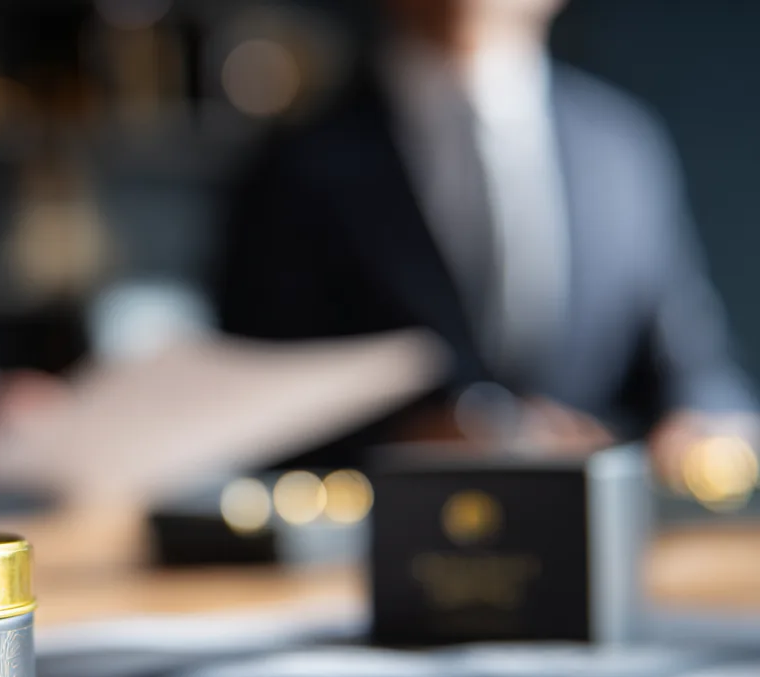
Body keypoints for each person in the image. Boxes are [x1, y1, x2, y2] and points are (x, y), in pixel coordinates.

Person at [216, 0, 758, 478]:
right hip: (376, 550)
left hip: (593, 539)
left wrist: (702, 432)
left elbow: (694, 366)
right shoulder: (294, 167)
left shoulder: (621, 147)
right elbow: (247, 409)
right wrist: (413, 438)